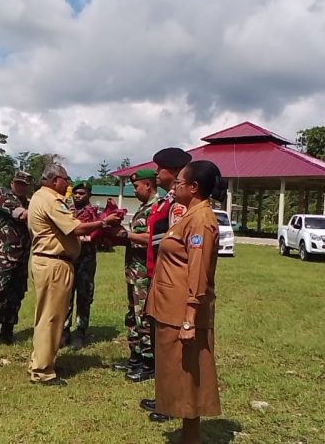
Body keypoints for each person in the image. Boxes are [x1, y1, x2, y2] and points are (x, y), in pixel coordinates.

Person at [145, 160, 223, 442]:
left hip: (182, 314)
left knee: (189, 379)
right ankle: (189, 435)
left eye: (179, 182)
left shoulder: (201, 220)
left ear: (194, 187)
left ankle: (191, 437)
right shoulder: (189, 215)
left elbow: (198, 272)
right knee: (179, 377)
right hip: (169, 310)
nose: (175, 186)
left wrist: (190, 319)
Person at [27, 163, 122, 386]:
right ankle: (42, 371)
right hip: (54, 263)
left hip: (48, 261)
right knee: (51, 318)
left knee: (46, 316)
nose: (68, 184)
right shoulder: (51, 200)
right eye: (65, 179)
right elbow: (76, 229)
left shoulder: (40, 197)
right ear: (54, 180)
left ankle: (40, 362)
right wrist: (103, 222)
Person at [127, 147, 192, 385]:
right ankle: (163, 385)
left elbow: (172, 241)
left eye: (159, 169)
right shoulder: (168, 200)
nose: (156, 174)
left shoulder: (180, 203)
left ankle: (168, 385)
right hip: (157, 272)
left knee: (168, 334)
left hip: (171, 275)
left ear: (173, 171)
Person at [112, 169, 158, 375]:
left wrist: (126, 235)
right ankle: (135, 357)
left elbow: (153, 238)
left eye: (137, 186)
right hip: (133, 272)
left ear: (148, 185)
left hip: (144, 274)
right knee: (133, 315)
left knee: (144, 317)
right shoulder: (143, 207)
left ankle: (149, 363)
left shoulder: (156, 207)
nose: (134, 190)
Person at [0, 171, 33, 348]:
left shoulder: (30, 203)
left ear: (28, 186)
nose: (19, 186)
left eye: (23, 184)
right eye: (17, 183)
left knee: (16, 296)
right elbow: (23, 215)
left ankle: (8, 331)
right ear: (12, 183)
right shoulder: (5, 199)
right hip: (2, 257)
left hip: (21, 258)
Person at [61, 180, 100, 350]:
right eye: (75, 193)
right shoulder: (67, 210)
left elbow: (97, 232)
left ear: (89, 194)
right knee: (66, 296)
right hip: (69, 259)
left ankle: (80, 332)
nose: (77, 196)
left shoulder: (93, 213)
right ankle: (64, 330)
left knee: (84, 296)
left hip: (86, 260)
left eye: (82, 193)